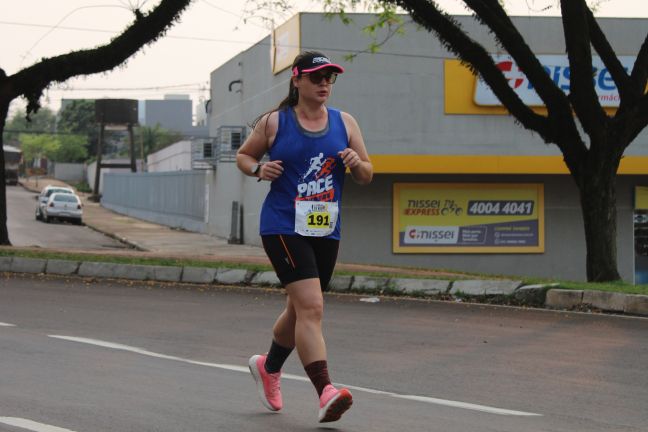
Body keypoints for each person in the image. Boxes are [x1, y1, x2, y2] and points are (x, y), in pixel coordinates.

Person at [236, 51, 373, 423]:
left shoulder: (345, 122)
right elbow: (244, 156)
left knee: (299, 308)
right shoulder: (274, 122)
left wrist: (357, 164)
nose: (324, 83)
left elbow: (367, 174)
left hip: (325, 226)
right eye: (316, 77)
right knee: (312, 306)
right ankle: (326, 391)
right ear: (296, 80)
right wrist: (259, 168)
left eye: (329, 77)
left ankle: (269, 366)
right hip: (282, 225)